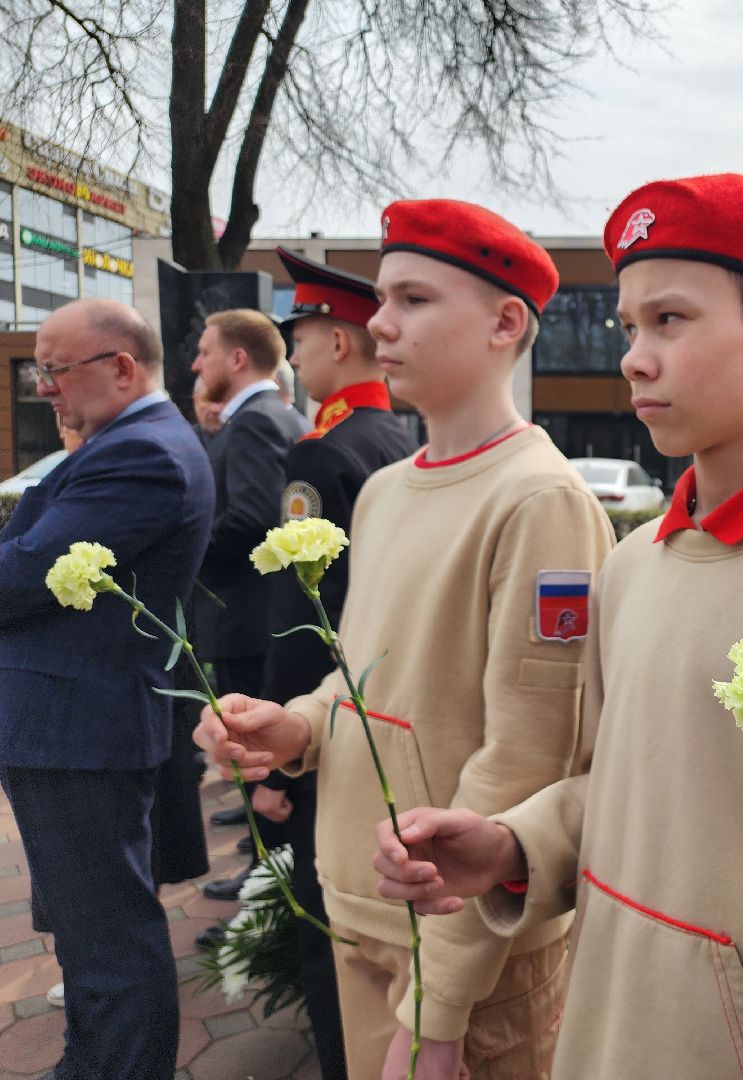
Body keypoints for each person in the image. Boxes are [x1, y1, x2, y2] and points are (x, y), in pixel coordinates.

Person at [367, 174, 743, 1078]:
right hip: (600, 1026)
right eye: (629, 327)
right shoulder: (633, 568)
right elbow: (629, 790)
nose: (635, 357)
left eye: (670, 320)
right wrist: (519, 842)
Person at [195, 199, 614, 1079]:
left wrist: (442, 1007)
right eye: (383, 298)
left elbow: (528, 764)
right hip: (359, 904)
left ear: (506, 322)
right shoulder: (385, 490)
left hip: (467, 950)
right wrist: (297, 727)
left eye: (414, 299)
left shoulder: (539, 499)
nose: (379, 322)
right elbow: (364, 672)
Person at [0, 298, 215, 1078]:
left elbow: (23, 573)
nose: (44, 388)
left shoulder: (143, 452)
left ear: (122, 367)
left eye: (55, 370)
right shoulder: (128, 442)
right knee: (93, 938)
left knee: (109, 942)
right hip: (74, 724)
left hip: (77, 729)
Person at [245, 247, 419, 1080]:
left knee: (330, 936)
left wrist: (277, 760)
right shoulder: (397, 438)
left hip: (327, 716)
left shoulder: (322, 454)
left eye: (303, 335)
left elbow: (299, 617)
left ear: (339, 344)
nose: (296, 353)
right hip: (388, 707)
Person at [191, 308, 309, 901]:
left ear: (238, 359)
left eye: (206, 351)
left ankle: (267, 873)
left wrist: (191, 554)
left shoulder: (257, 421)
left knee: (255, 749)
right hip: (254, 614)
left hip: (248, 613)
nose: (196, 363)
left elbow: (254, 515)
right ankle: (265, 854)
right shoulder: (264, 415)